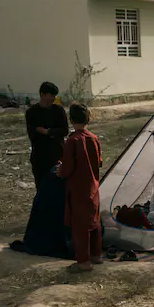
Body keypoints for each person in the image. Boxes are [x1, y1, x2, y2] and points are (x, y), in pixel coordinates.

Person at [56, 103, 103, 273]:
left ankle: (83, 262)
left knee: (80, 226)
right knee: (95, 222)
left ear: (71, 119)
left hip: (78, 188)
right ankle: (97, 255)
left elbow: (67, 168)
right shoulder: (94, 138)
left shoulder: (72, 141)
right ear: (88, 118)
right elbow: (99, 162)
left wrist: (59, 170)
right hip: (93, 187)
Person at [25, 82, 69, 191]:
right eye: (50, 95)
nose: (53, 98)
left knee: (58, 188)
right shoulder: (32, 112)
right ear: (42, 95)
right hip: (40, 156)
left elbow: (64, 130)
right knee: (42, 188)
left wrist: (47, 132)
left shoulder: (59, 111)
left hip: (57, 154)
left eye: (54, 96)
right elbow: (33, 134)